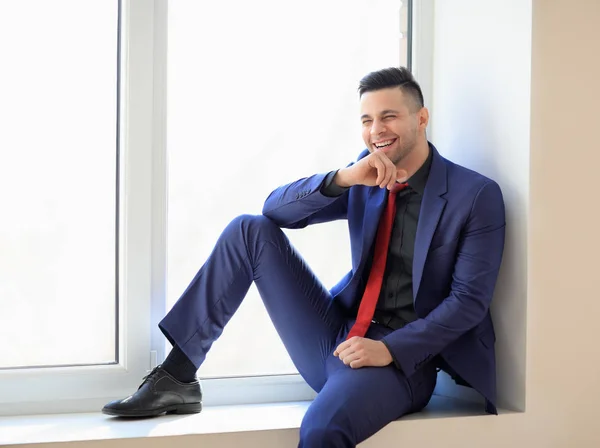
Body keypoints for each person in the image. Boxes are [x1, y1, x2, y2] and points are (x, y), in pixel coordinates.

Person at [102, 67, 506, 447]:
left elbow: (468, 302)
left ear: (422, 118)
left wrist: (390, 349)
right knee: (248, 229)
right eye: (366, 120)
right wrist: (342, 178)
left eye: (389, 116)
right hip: (333, 337)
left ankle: (365, 373)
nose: (376, 130)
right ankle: (177, 375)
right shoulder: (365, 176)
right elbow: (273, 211)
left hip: (401, 363)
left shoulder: (474, 195)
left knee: (322, 428)